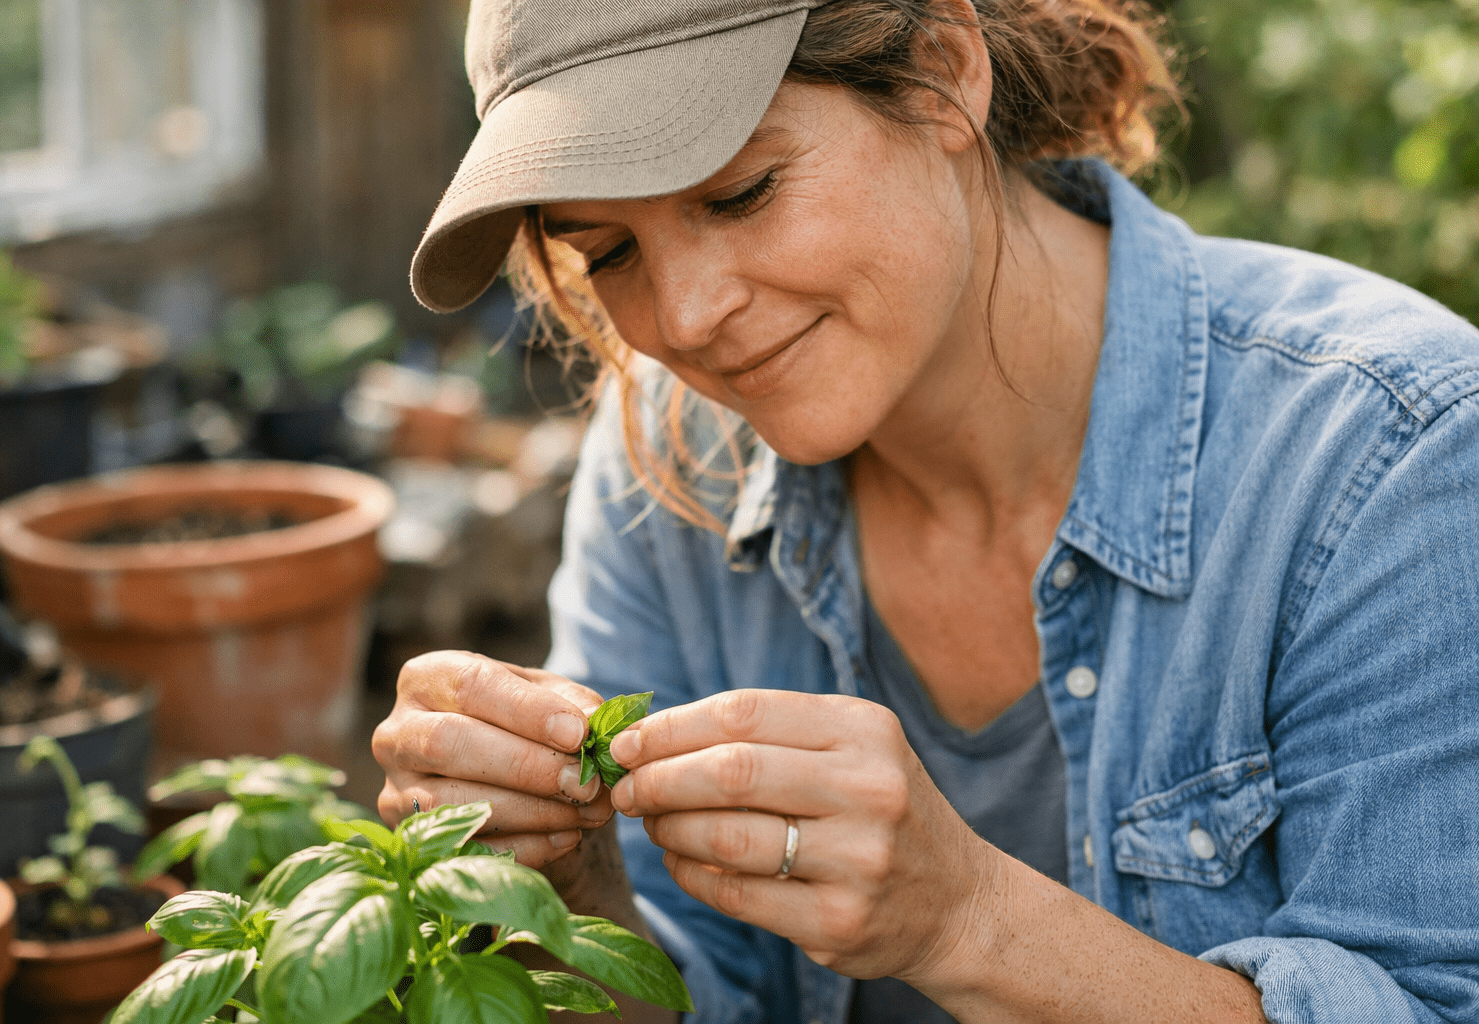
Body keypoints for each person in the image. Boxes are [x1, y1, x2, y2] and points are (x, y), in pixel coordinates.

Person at [374, 0, 1479, 1020]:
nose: (687, 315)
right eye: (607, 250)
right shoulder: (669, 476)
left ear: (947, 69)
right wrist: (560, 890)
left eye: (741, 192)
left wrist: (969, 920)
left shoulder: (1385, 457)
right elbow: (684, 985)